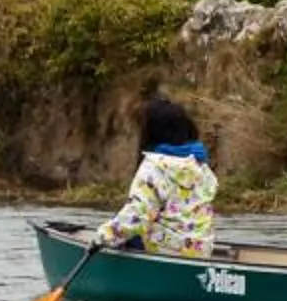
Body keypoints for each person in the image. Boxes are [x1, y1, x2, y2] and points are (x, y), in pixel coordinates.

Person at [93, 97, 221, 257]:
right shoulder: (200, 165)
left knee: (124, 231)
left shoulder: (154, 167)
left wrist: (102, 237)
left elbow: (137, 216)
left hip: (165, 250)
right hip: (201, 251)